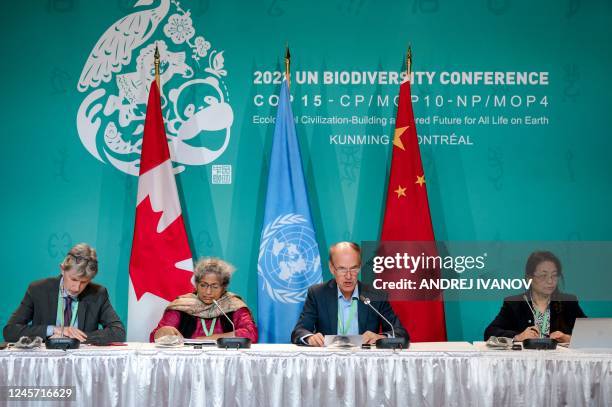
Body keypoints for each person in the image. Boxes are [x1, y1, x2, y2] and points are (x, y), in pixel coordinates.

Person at [3, 243, 125, 344]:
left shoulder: (98, 293)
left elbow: (118, 332)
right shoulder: (37, 289)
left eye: (84, 282)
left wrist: (76, 337)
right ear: (62, 269)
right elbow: (10, 331)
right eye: (74, 279)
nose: (77, 288)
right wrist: (54, 330)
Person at [291, 241, 408, 346]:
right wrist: (310, 338)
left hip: (366, 363)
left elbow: (400, 333)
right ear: (332, 268)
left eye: (354, 268)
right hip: (329, 362)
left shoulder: (375, 295)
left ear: (360, 267)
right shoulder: (317, 294)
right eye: (342, 269)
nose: (348, 276)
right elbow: (299, 331)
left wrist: (380, 337)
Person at [484, 250, 586, 343]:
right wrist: (518, 336)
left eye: (554, 275)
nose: (550, 281)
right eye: (543, 275)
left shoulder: (568, 302)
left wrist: (569, 338)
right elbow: (489, 333)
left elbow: (590, 333)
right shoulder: (515, 304)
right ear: (529, 278)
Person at [150, 257, 258, 342]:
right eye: (203, 285)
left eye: (214, 286)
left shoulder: (233, 305)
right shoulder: (182, 305)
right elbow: (154, 337)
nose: (208, 292)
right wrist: (163, 332)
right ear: (196, 284)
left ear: (223, 287)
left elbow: (251, 333)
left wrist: (210, 339)